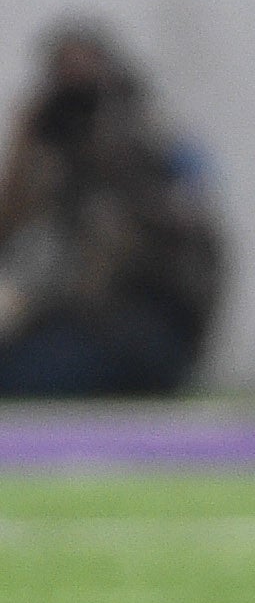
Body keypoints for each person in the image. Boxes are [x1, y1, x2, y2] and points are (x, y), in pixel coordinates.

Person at [0, 26, 224, 399]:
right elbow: (19, 245)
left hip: (146, 333)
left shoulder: (150, 146)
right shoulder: (52, 159)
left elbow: (122, 263)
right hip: (82, 328)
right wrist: (29, 154)